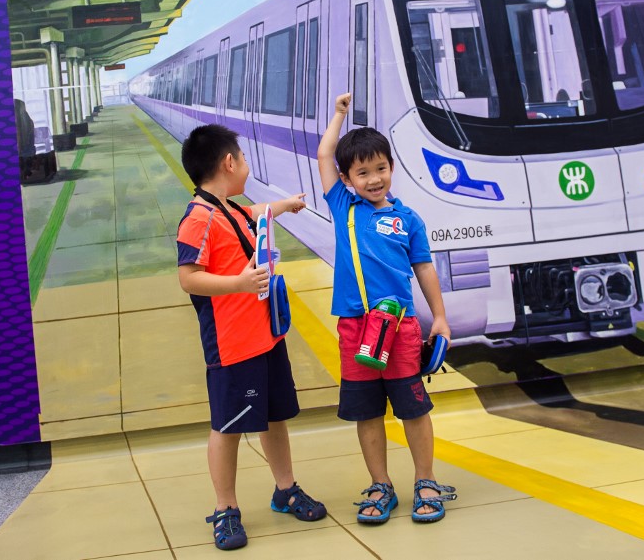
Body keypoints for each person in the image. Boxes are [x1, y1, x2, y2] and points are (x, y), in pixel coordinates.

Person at [177, 124, 327, 551]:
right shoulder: (198, 218)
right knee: (227, 426)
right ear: (229, 163)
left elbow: (255, 212)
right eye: (242, 158)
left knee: (274, 416)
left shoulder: (228, 208)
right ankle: (226, 509)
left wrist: (286, 205)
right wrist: (240, 283)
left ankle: (286, 489)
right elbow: (189, 279)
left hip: (266, 338)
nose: (246, 164)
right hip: (232, 344)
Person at [316, 93, 457, 524]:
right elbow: (324, 152)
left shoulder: (408, 219)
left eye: (381, 169)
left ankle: (426, 481)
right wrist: (339, 115)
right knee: (367, 413)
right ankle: (381, 486)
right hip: (355, 329)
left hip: (400, 328)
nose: (374, 179)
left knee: (413, 408)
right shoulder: (344, 206)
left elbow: (425, 270)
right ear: (347, 178)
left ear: (391, 168)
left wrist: (442, 318)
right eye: (363, 173)